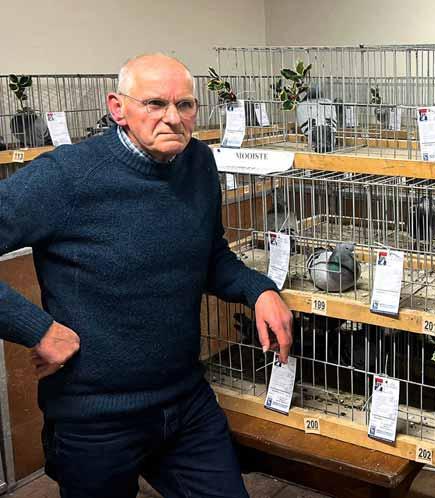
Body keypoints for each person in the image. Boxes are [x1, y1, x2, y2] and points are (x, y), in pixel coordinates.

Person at [0, 53, 293, 498]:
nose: (173, 118)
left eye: (185, 105)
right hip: (95, 418)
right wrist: (36, 329)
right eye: (155, 103)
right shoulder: (67, 176)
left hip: (185, 400)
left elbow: (210, 255)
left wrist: (259, 290)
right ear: (117, 108)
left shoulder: (198, 163)